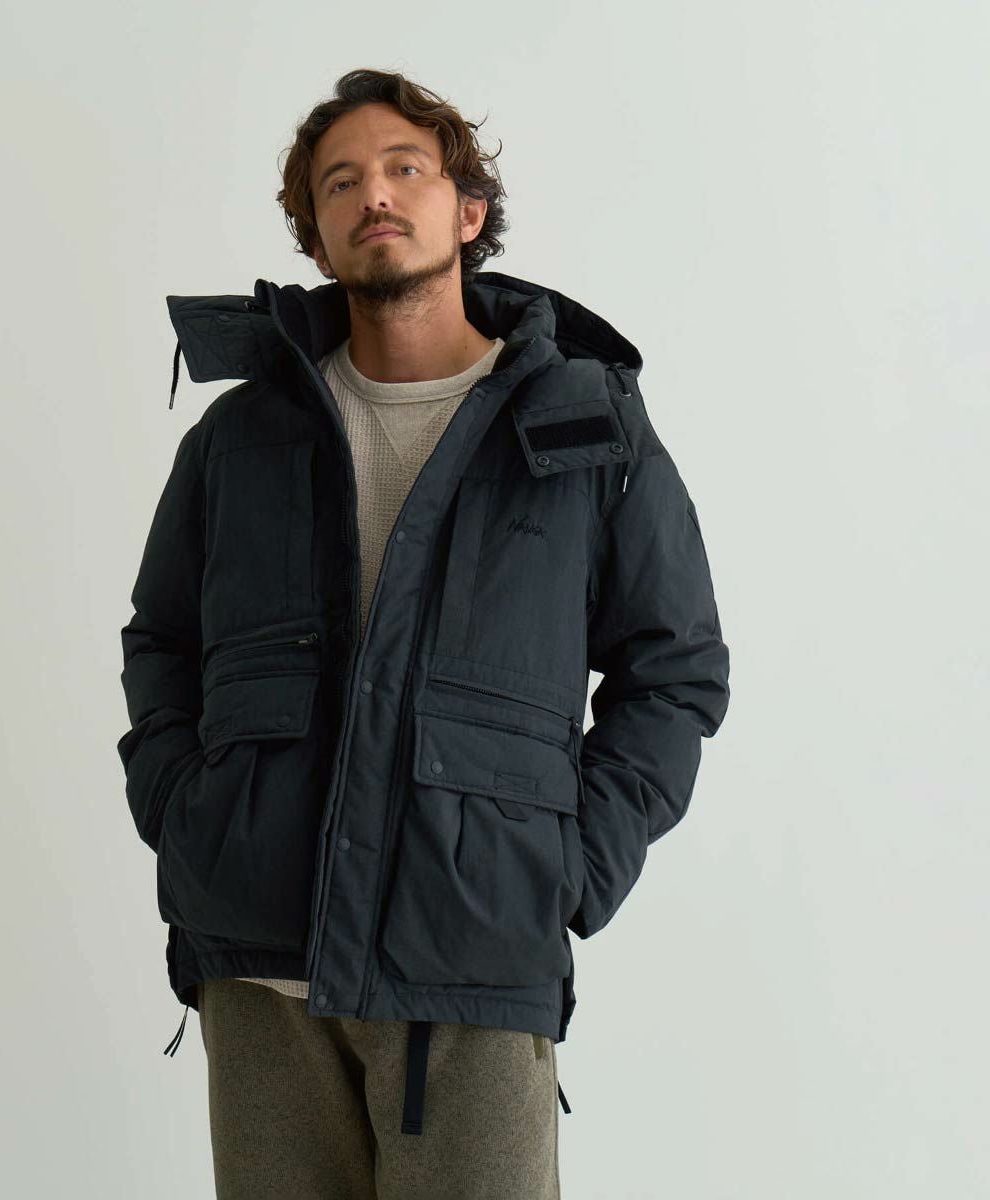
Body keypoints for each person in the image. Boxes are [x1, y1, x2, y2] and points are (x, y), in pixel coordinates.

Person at [117, 67, 730, 1199]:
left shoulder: (587, 424)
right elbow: (162, 642)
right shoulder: (238, 437)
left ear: (469, 212)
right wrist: (182, 810)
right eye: (340, 181)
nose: (375, 195)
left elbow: (674, 668)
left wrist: (573, 867)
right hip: (261, 972)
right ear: (316, 234)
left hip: (472, 966)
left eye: (407, 168)